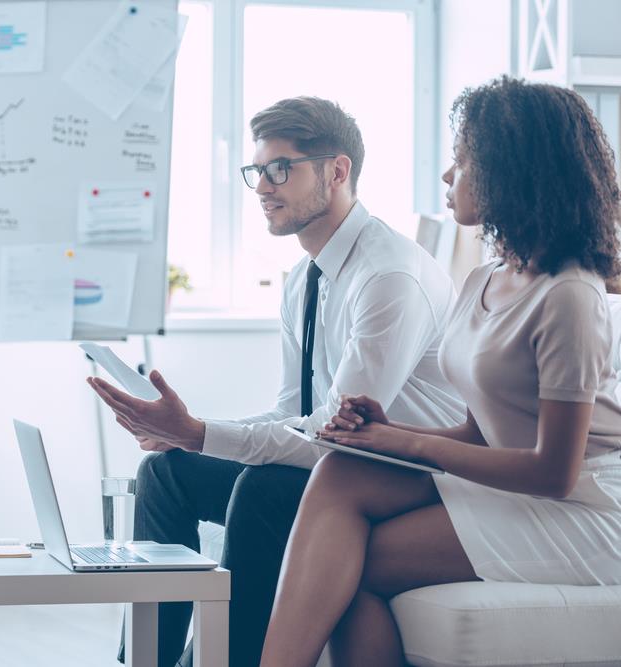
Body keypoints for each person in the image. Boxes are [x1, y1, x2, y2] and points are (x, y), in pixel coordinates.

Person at [89, 97, 465, 667]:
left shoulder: (388, 275)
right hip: (338, 460)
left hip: (398, 476)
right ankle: (146, 661)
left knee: (263, 489)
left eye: (281, 168)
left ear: (337, 171)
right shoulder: (303, 278)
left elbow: (339, 435)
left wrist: (200, 432)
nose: (263, 186)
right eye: (258, 171)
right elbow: (294, 408)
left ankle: (227, 659)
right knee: (166, 474)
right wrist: (191, 436)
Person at [258, 76, 621, 667]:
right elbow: (479, 435)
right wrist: (382, 434)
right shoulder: (485, 278)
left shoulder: (570, 297)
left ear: (512, 171)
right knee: (340, 474)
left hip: (588, 507)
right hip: (519, 483)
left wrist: (404, 442)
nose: (449, 177)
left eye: (464, 160)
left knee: (351, 566)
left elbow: (554, 472)